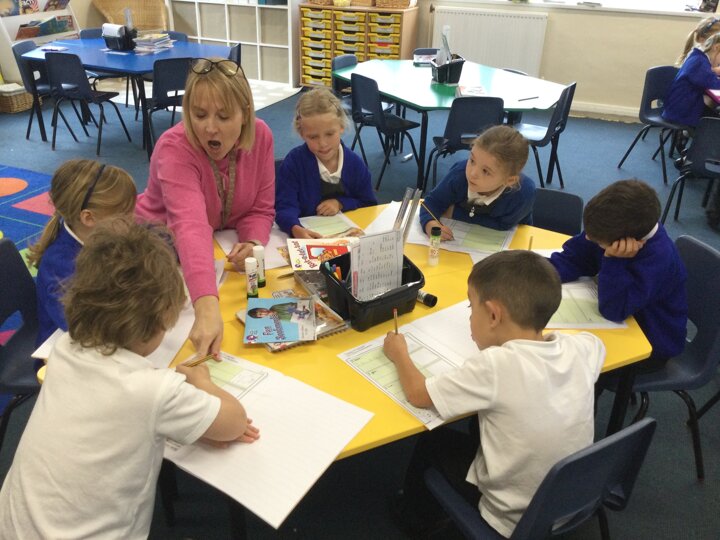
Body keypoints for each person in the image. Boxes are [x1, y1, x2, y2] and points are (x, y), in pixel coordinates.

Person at [0, 218, 259, 538]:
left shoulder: (66, 348)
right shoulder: (153, 390)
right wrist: (202, 383)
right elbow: (235, 422)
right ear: (161, 322)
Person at [383, 250, 605, 537]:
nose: (469, 316)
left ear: (493, 314)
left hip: (512, 518)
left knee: (432, 440)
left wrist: (399, 354)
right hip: (570, 502)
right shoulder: (580, 349)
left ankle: (415, 518)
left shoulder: (495, 366)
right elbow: (596, 345)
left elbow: (419, 394)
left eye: (470, 306)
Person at [135, 57, 275, 357]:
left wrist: (252, 241)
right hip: (157, 247)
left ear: (245, 114)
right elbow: (190, 226)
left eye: (223, 116)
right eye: (199, 115)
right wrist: (207, 307)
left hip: (215, 248)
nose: (210, 128)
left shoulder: (261, 136)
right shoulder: (174, 148)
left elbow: (260, 208)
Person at [549, 179, 687, 371]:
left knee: (570, 368)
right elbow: (575, 258)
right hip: (620, 324)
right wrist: (540, 274)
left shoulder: (659, 258)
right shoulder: (613, 228)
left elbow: (614, 309)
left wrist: (614, 260)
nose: (588, 238)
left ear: (624, 243)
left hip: (650, 344)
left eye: (598, 241)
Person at [26, 159, 136, 344]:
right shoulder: (59, 267)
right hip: (62, 350)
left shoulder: (103, 236)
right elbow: (84, 329)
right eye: (125, 215)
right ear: (88, 218)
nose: (133, 220)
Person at [275, 87, 376, 238]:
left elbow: (368, 203)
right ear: (302, 134)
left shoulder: (355, 165)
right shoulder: (294, 164)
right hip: (306, 237)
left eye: (329, 134)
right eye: (313, 137)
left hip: (346, 238)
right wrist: (294, 228)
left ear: (341, 127)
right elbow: (284, 207)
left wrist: (340, 203)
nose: (322, 143)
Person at [419, 125, 535, 241]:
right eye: (472, 160)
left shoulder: (523, 193)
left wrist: (454, 213)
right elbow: (431, 203)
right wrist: (430, 224)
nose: (472, 173)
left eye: (485, 171)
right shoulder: (459, 174)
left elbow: (503, 225)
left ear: (509, 180)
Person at [663, 33, 720, 128]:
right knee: (716, 124)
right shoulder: (699, 62)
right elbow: (715, 85)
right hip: (682, 112)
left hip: (683, 107)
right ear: (717, 47)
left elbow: (709, 79)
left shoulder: (698, 57)